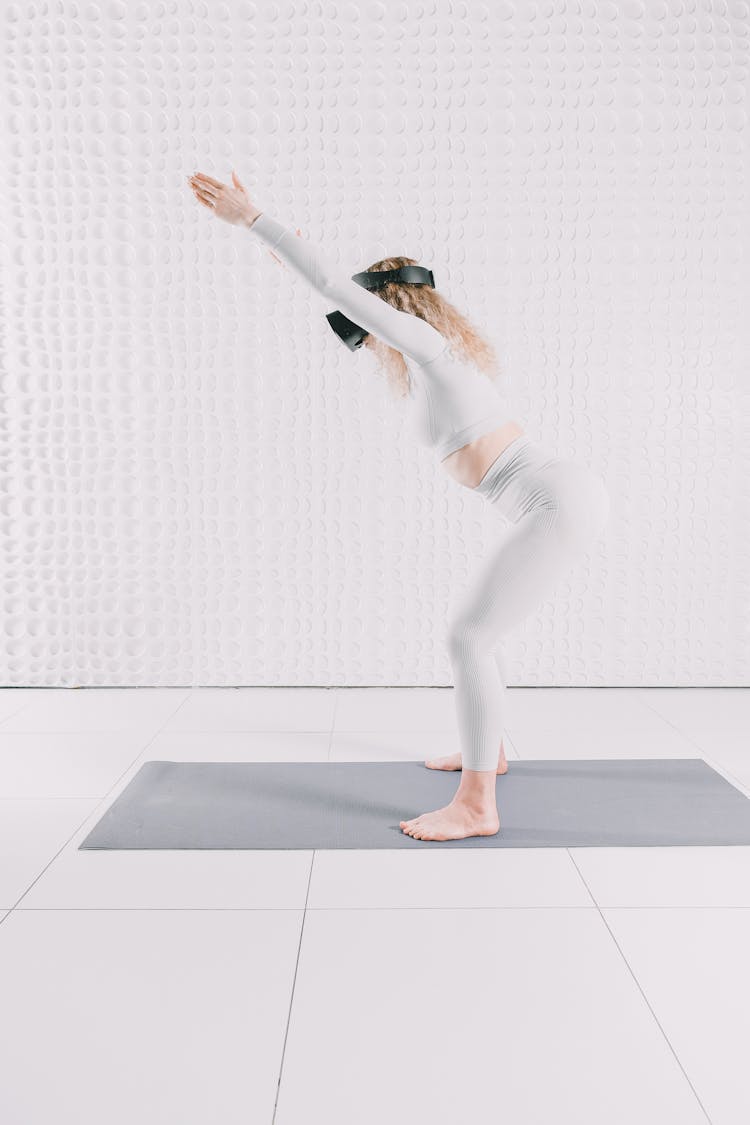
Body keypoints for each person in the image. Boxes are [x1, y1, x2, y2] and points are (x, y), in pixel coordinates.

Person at [187, 170, 610, 842]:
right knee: (482, 634)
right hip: (557, 496)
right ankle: (488, 752)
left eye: (369, 314)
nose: (363, 331)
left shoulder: (434, 351)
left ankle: (477, 804)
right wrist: (281, 250)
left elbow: (331, 286)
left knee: (468, 636)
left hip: (554, 501)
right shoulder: (435, 363)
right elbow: (325, 284)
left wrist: (253, 218)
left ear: (393, 310)